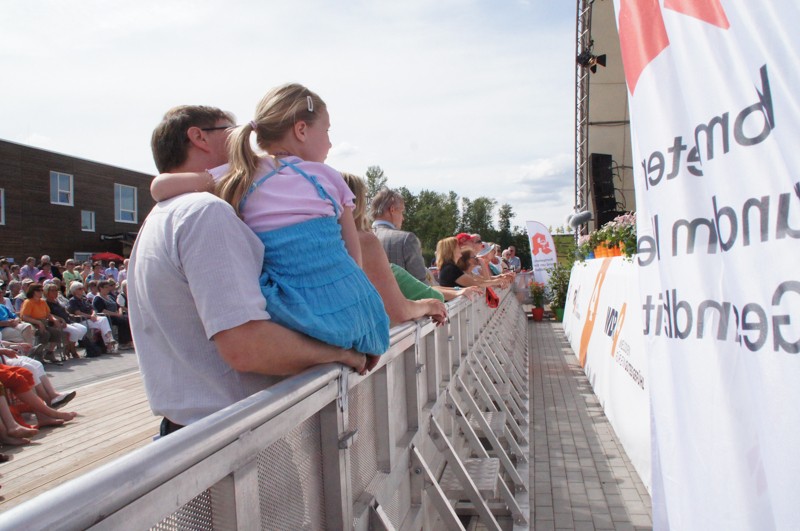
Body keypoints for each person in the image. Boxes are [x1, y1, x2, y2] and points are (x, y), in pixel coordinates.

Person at [132, 104, 375, 434]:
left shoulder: (160, 217)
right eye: (230, 131)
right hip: (231, 436)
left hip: (191, 430)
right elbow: (247, 348)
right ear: (199, 137)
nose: (244, 141)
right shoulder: (206, 213)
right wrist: (340, 353)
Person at [150, 84, 389, 355]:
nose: (330, 143)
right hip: (340, 301)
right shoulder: (330, 177)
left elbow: (160, 187)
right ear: (301, 130)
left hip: (286, 304)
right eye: (327, 131)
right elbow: (354, 260)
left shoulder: (242, 173)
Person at [341, 173, 448, 326]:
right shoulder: (367, 241)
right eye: (402, 211)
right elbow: (399, 311)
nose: (403, 217)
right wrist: (429, 305)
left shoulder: (317, 239)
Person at [370, 188, 428, 283]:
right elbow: (421, 283)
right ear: (392, 210)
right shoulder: (406, 239)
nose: (403, 218)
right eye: (401, 212)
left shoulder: (356, 238)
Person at [436, 237, 510, 289]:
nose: (460, 247)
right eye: (457, 246)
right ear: (451, 250)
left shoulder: (451, 267)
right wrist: (498, 281)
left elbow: (480, 280)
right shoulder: (450, 269)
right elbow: (478, 283)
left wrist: (499, 279)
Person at [19, 283, 64, 364]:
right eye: (38, 290)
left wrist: (54, 320)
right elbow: (24, 317)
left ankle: (49, 353)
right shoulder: (28, 302)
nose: (41, 292)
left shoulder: (43, 302)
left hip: (43, 322)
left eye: (41, 290)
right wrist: (38, 322)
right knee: (45, 334)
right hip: (32, 324)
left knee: (56, 332)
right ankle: (38, 354)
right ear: (33, 291)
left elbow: (48, 314)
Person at [66, 282, 116, 352]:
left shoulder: (84, 299)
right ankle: (109, 342)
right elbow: (77, 312)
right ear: (74, 291)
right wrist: (90, 316)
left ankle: (109, 342)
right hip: (82, 320)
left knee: (104, 319)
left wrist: (93, 315)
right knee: (102, 323)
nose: (82, 290)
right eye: (80, 289)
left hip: (90, 319)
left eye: (82, 288)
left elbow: (92, 309)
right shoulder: (72, 301)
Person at [44, 282, 87, 358]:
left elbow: (64, 311)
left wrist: (70, 315)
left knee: (83, 329)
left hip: (68, 320)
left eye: (56, 290)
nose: (55, 292)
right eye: (52, 290)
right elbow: (48, 314)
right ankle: (73, 350)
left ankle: (68, 348)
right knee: (75, 331)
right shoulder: (46, 303)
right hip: (58, 323)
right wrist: (60, 319)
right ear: (46, 292)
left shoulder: (57, 301)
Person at [92, 280, 132, 349]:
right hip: (107, 317)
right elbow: (102, 311)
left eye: (108, 287)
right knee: (122, 321)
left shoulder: (110, 297)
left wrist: (120, 312)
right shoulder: (98, 299)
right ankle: (122, 343)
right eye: (106, 287)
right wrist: (115, 314)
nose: (108, 289)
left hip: (116, 315)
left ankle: (129, 341)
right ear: (101, 288)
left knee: (128, 318)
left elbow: (118, 306)